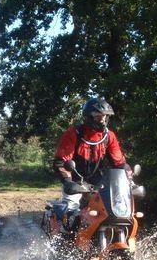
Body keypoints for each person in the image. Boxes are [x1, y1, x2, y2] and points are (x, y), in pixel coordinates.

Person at [51, 96, 130, 227]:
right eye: (98, 117)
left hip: (98, 180)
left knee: (114, 210)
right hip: (75, 180)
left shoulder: (109, 136)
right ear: (88, 117)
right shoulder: (73, 133)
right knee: (70, 213)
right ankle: (62, 243)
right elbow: (61, 161)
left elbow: (119, 162)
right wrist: (67, 181)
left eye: (105, 117)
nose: (103, 120)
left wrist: (130, 180)